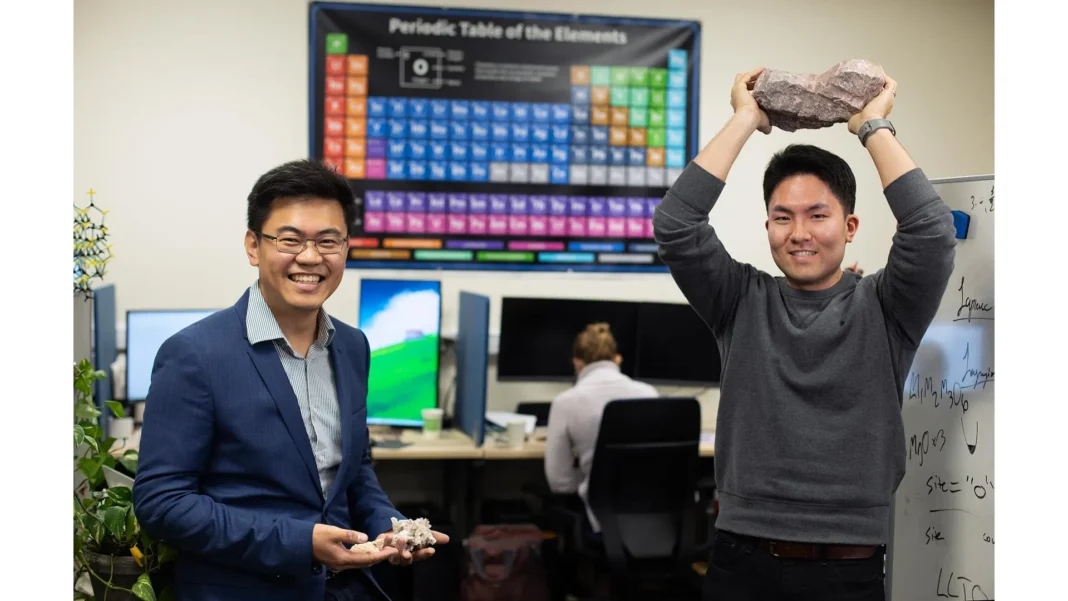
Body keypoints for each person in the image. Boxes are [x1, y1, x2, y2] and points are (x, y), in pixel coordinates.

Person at [653, 68, 956, 601]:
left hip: (849, 569)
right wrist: (746, 119)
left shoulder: (888, 308)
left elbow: (931, 231)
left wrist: (872, 126)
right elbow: (676, 224)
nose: (799, 234)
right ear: (767, 226)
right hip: (741, 561)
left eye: (818, 215)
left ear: (850, 227)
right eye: (782, 217)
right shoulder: (739, 300)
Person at [132, 159, 448, 601]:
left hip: (346, 591)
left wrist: (391, 527)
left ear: (346, 248)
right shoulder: (195, 354)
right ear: (253, 246)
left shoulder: (353, 346)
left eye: (328, 241)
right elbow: (162, 503)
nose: (311, 257)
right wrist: (299, 541)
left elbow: (355, 471)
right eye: (290, 239)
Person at [543, 322, 658, 533]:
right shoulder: (649, 394)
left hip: (602, 518)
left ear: (577, 364)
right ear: (617, 360)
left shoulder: (566, 402)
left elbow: (560, 483)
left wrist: (591, 480)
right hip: (656, 516)